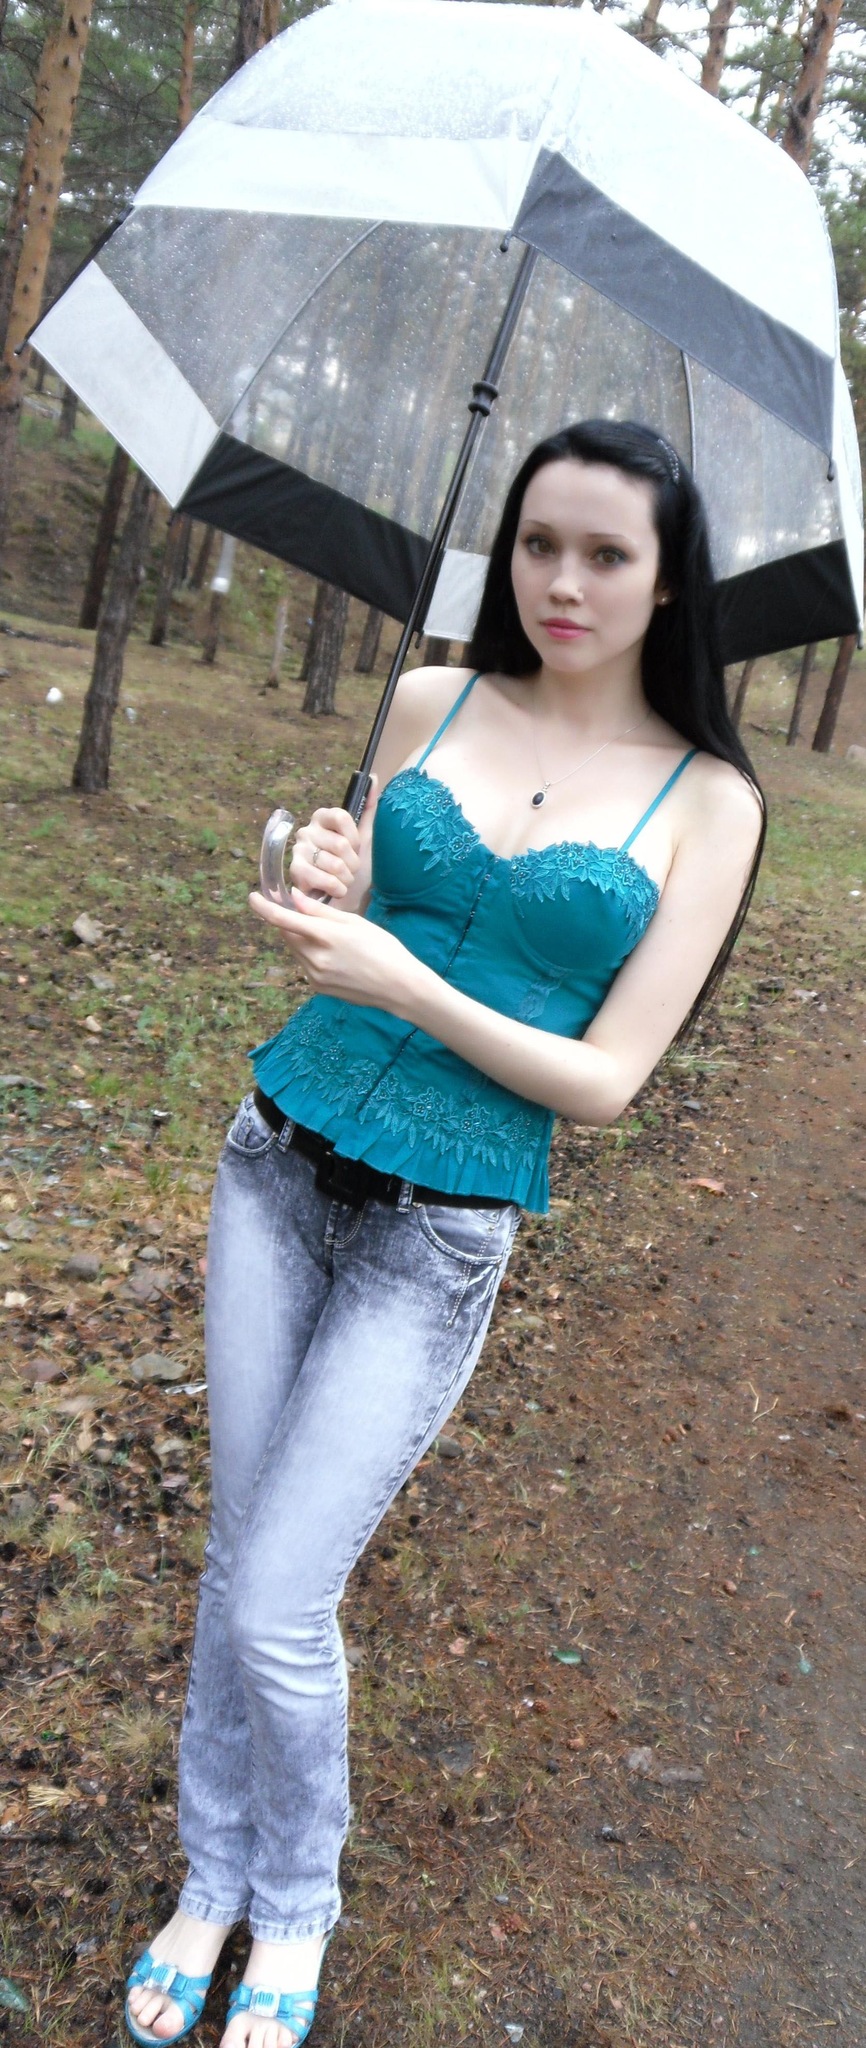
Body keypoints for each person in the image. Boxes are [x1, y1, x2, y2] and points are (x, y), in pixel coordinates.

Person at [125, 419, 765, 2048]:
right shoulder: (427, 700)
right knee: (234, 1562)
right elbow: (329, 938)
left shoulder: (708, 803)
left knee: (281, 1599)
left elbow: (606, 1083)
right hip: (276, 1159)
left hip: (439, 1232)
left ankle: (296, 1904)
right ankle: (207, 1877)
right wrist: (320, 880)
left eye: (606, 554)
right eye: (538, 543)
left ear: (667, 582)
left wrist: (408, 980)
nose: (563, 580)